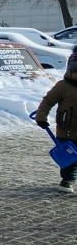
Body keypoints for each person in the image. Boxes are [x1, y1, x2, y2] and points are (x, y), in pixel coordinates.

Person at [34, 48, 77, 190]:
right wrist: (41, 117)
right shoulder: (63, 86)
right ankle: (67, 180)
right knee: (69, 157)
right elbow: (47, 101)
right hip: (67, 130)